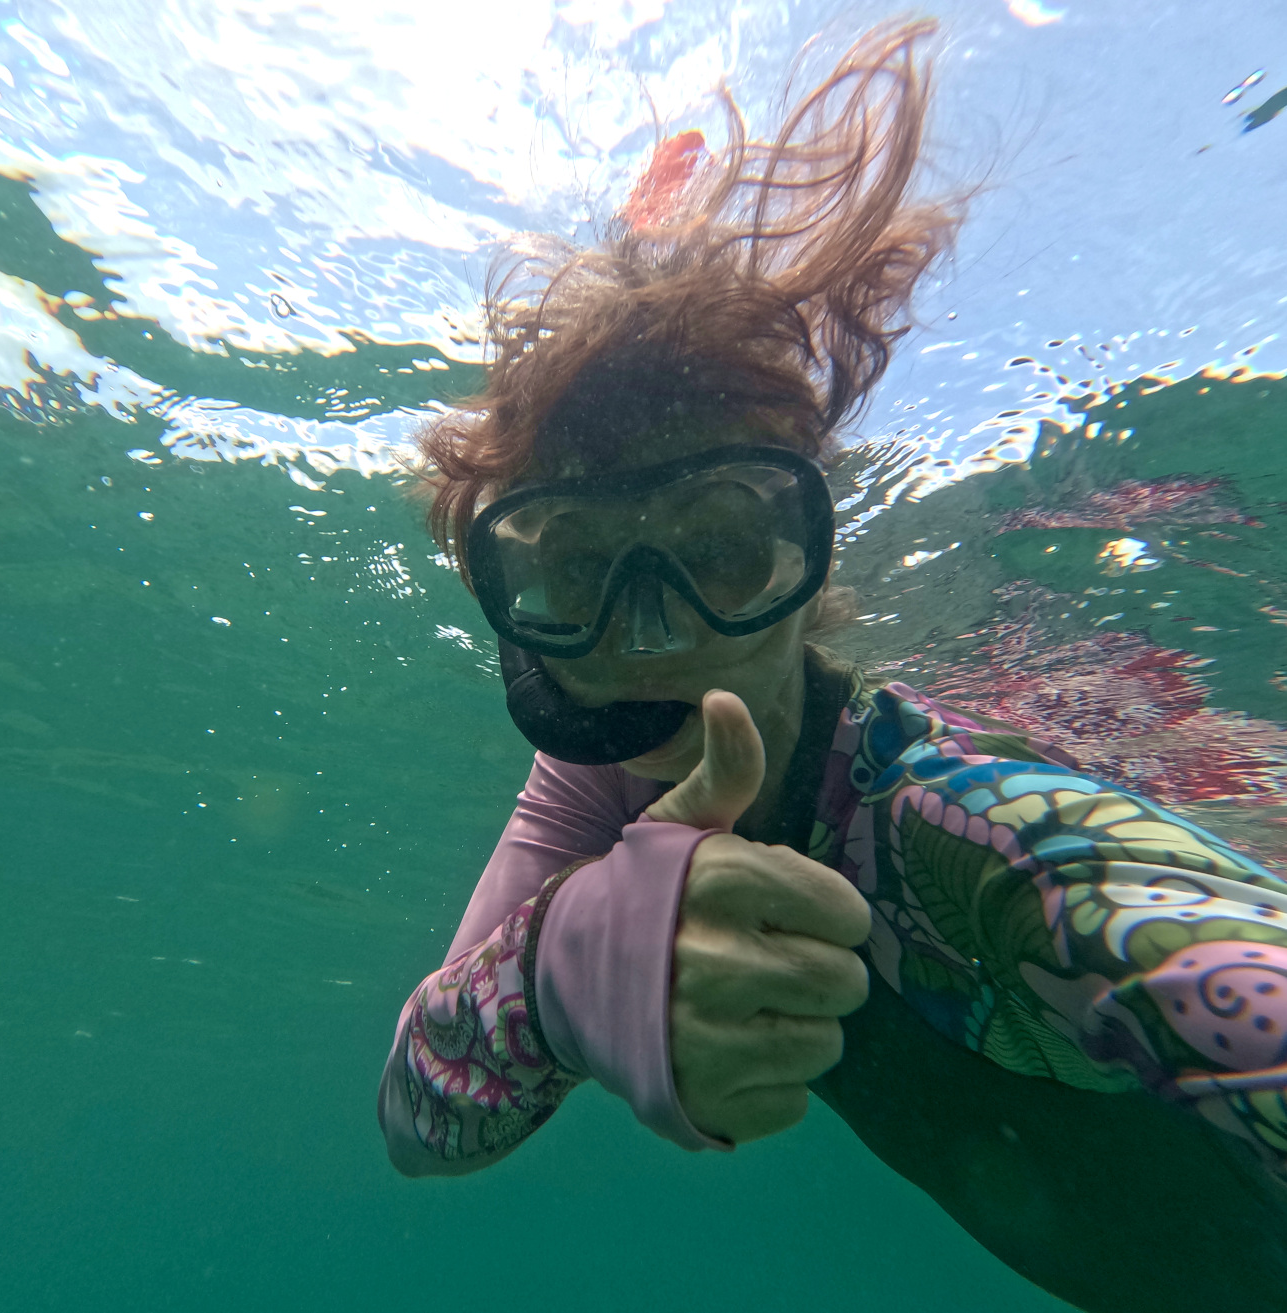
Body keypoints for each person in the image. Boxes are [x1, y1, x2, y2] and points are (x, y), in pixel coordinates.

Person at [377, 20, 1287, 1313]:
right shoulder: (594, 785)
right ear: (521, 608)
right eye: (578, 571)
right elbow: (416, 1127)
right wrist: (552, 977)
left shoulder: (968, 834)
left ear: (807, 563)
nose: (655, 637)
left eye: (719, 547)